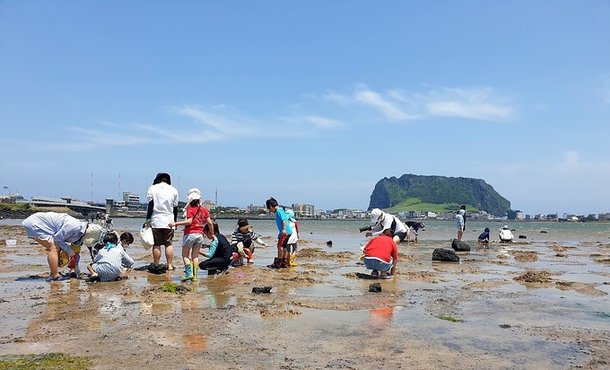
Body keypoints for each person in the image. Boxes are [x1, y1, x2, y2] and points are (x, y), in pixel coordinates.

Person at [22, 212, 103, 281]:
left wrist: (75, 267)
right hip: (36, 223)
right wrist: (68, 251)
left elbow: (75, 252)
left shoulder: (81, 234)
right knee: (54, 248)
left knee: (58, 247)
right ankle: (55, 275)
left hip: (43, 225)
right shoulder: (74, 227)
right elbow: (57, 238)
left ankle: (53, 273)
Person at [169, 188, 213, 282]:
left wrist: (175, 223)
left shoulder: (190, 209)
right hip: (200, 235)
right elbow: (210, 223)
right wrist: (212, 233)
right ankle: (195, 276)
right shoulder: (204, 210)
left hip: (190, 234)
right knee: (195, 256)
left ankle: (189, 274)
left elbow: (189, 221)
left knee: (185, 255)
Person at [146, 172, 179, 270]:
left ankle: (156, 264)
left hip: (156, 220)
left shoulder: (152, 188)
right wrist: (175, 221)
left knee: (156, 244)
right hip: (169, 220)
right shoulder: (174, 190)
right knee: (168, 244)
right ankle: (169, 265)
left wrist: (147, 219)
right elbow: (175, 208)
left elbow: (150, 206)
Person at [265, 197, 292, 269]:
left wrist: (283, 230)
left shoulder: (279, 211)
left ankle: (278, 264)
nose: (270, 211)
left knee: (279, 246)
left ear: (271, 206)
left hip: (285, 231)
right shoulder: (280, 210)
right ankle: (284, 263)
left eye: (269, 209)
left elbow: (284, 221)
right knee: (284, 247)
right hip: (288, 231)